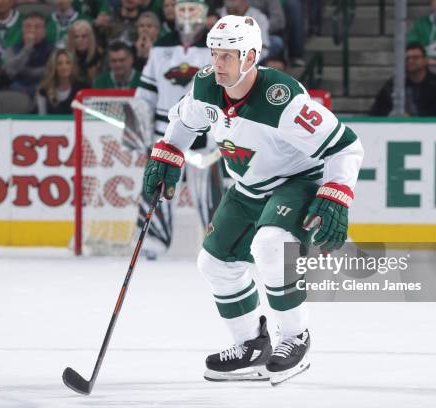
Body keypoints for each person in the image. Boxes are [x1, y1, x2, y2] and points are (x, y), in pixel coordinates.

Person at [141, 15, 363, 384]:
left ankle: (295, 338)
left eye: (228, 55)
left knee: (271, 247)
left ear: (251, 56)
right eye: (215, 54)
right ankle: (251, 345)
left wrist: (337, 196)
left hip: (296, 182)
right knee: (214, 263)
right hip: (247, 187)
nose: (218, 64)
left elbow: (346, 146)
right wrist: (168, 153)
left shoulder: (284, 100)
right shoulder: (207, 86)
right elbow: (182, 120)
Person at [135, 0, 222, 258]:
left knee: (210, 192)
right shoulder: (161, 46)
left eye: (192, 9)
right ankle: (153, 242)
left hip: (204, 134)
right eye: (181, 8)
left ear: (204, 13)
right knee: (157, 185)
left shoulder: (214, 46)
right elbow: (146, 93)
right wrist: (141, 125)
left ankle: (221, 242)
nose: (186, 15)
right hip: (165, 133)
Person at [370, 43, 436, 116]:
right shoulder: (392, 85)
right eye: (407, 58)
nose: (410, 61)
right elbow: (376, 113)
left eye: (415, 58)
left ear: (425, 60)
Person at [3, 12, 54, 97]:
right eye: (28, 26)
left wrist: (24, 71)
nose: (32, 30)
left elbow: (50, 72)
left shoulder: (53, 50)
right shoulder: (12, 49)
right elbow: (10, 71)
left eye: (37, 27)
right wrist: (27, 48)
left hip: (42, 87)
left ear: (44, 31)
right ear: (22, 30)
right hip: (17, 88)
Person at [36, 49, 87, 114]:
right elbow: (42, 117)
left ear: (72, 66)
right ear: (54, 67)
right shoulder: (43, 91)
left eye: (68, 62)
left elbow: (85, 117)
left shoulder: (82, 89)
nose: (64, 67)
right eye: (59, 63)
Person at [67, 19, 103, 85]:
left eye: (84, 36)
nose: (80, 40)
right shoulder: (66, 57)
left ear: (90, 38)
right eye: (76, 37)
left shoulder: (98, 57)